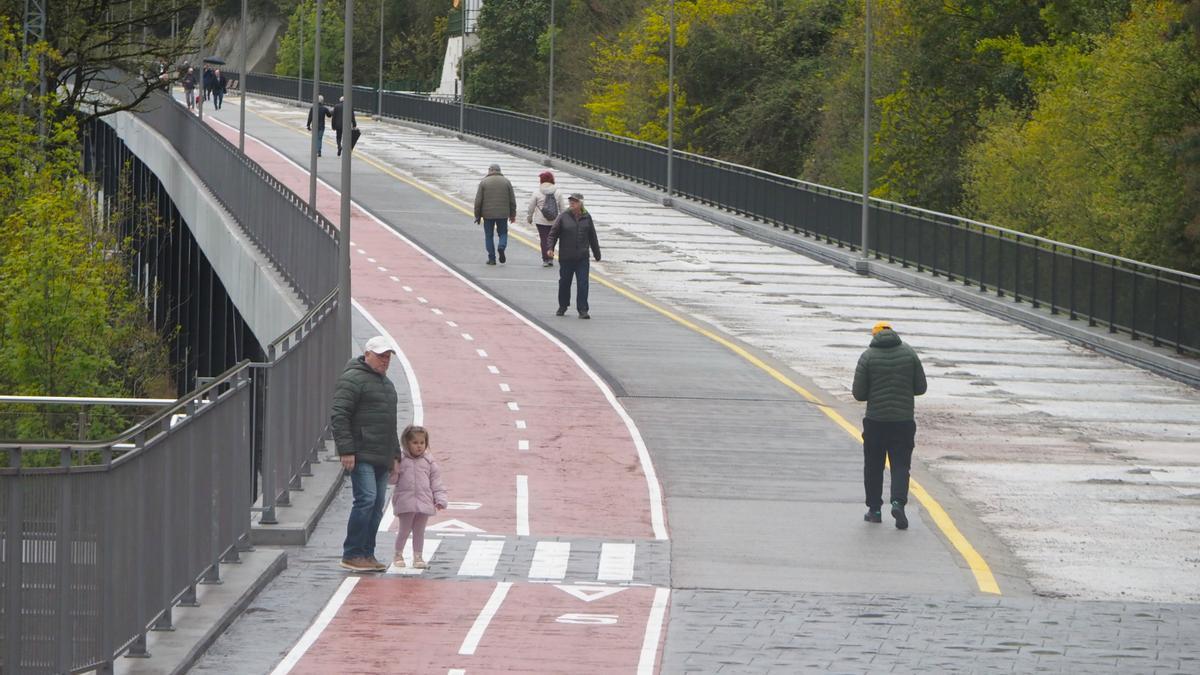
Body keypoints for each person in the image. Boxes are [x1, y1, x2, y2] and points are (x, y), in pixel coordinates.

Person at [331, 336, 402, 572]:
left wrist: (395, 456)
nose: (385, 360)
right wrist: (346, 450)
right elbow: (339, 415)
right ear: (367, 354)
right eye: (381, 356)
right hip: (361, 453)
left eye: (388, 356)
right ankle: (352, 553)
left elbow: (390, 424)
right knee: (366, 500)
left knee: (377, 504)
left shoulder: (387, 385)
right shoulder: (352, 379)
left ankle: (367, 554)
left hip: (381, 455)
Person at [852, 321, 927, 530]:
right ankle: (897, 503)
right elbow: (921, 388)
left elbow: (859, 394)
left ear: (874, 336)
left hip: (875, 422)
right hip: (903, 421)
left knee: (873, 466)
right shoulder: (909, 354)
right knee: (901, 465)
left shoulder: (868, 357)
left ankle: (875, 510)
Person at [389, 425, 448, 569]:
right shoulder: (401, 459)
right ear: (406, 443)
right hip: (405, 501)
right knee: (404, 530)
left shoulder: (429, 461)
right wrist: (394, 469)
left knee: (419, 531)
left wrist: (440, 499)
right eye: (415, 443)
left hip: (424, 501)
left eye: (422, 442)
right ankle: (398, 554)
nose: (419, 446)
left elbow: (436, 482)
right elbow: (392, 480)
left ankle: (418, 557)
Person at [545, 193, 601, 319]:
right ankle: (563, 306)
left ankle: (583, 309)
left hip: (582, 257)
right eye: (570, 201)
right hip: (566, 257)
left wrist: (597, 254)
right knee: (564, 283)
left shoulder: (587, 217)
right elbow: (553, 234)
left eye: (574, 202)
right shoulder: (563, 216)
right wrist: (550, 248)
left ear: (581, 203)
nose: (572, 203)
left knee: (583, 284)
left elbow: (592, 236)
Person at [473, 163, 516, 265]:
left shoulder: (484, 182)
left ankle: (492, 259)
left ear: (490, 170)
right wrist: (512, 214)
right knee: (503, 233)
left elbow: (478, 201)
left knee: (489, 236)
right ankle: (501, 246)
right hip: (503, 214)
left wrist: (477, 216)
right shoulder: (506, 182)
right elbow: (512, 200)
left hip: (487, 214)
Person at [527, 170, 565, 267]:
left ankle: (545, 259)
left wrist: (529, 217)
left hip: (541, 221)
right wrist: (564, 220)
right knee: (552, 239)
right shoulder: (558, 192)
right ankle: (550, 258)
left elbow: (531, 206)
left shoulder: (537, 192)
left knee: (544, 239)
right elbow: (562, 208)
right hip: (555, 220)